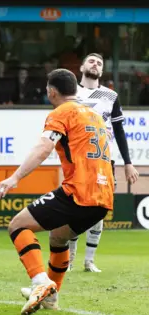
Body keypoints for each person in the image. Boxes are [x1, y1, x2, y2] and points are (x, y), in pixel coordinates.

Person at [0, 69, 114, 315]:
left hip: (79, 191)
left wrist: (15, 177)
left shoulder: (62, 113)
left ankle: (40, 282)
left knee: (17, 226)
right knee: (58, 238)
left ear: (52, 91)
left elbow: (44, 147)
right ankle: (51, 298)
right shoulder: (94, 116)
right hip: (103, 197)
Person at [69, 53, 139, 272]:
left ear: (102, 70)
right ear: (81, 66)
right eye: (91, 61)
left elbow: (119, 131)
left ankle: (89, 260)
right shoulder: (71, 92)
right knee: (73, 208)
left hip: (104, 161)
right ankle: (69, 259)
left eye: (99, 63)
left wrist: (128, 162)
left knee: (100, 209)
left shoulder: (110, 96)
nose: (95, 65)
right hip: (77, 161)